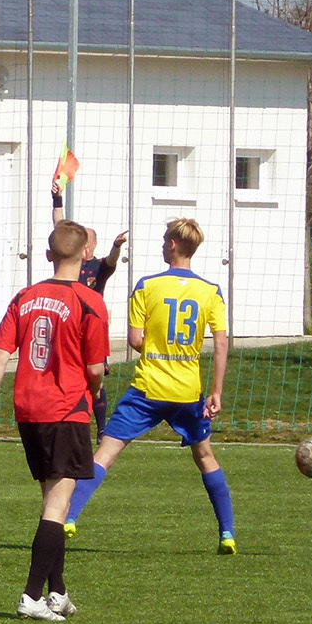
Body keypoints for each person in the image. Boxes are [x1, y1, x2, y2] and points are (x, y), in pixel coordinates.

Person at [62, 218, 236, 553]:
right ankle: (227, 533)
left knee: (106, 453)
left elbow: (135, 340)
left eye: (163, 240)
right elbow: (221, 343)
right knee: (205, 457)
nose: (162, 245)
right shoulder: (210, 291)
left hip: (147, 389)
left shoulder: (147, 286)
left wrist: (156, 347)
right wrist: (215, 391)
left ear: (172, 244)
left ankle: (69, 517)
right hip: (187, 391)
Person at [0, 220, 111, 621]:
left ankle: (57, 591)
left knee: (53, 502)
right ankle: (31, 596)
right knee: (58, 504)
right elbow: (95, 367)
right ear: (86, 255)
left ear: (49, 255)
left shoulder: (25, 296)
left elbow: (1, 353)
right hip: (66, 410)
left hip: (28, 410)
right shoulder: (90, 301)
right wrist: (95, 389)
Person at [51, 186, 128, 440]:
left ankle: (102, 427)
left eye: (88, 240)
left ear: (93, 244)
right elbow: (60, 230)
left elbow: (111, 261)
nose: (83, 244)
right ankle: (65, 420)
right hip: (68, 325)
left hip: (91, 329)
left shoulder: (99, 267)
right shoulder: (69, 264)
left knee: (96, 377)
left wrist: (116, 246)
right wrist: (57, 199)